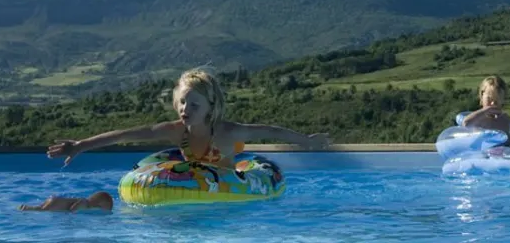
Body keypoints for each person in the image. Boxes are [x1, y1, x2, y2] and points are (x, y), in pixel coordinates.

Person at [47, 67, 330, 170]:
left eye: (194, 104)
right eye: (182, 102)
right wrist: (80, 144)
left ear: (211, 106)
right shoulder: (174, 131)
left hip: (231, 186)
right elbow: (125, 134)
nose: (185, 109)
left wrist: (306, 141)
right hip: (192, 181)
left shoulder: (229, 132)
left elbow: (271, 131)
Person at [18, 191, 114, 212]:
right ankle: (26, 208)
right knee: (41, 209)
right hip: (57, 203)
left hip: (55, 200)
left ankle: (26, 207)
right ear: (98, 203)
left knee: (40, 207)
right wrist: (72, 215)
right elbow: (73, 208)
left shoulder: (85, 202)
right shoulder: (85, 203)